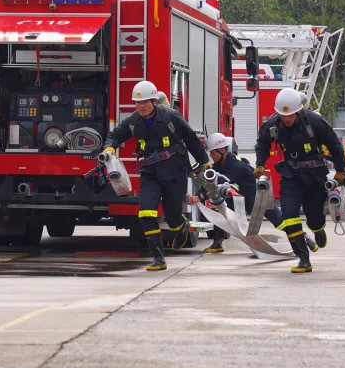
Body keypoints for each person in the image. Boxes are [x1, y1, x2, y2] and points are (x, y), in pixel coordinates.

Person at [103, 80, 211, 272]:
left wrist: (204, 162)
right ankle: (158, 258)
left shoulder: (170, 117)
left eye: (145, 102)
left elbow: (191, 139)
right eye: (138, 102)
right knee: (146, 212)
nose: (141, 106)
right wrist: (109, 147)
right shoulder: (133, 121)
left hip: (174, 171)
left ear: (154, 101)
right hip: (149, 172)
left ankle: (182, 228)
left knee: (173, 217)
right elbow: (115, 135)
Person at [254, 87, 345, 273]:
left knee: (314, 216)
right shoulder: (273, 124)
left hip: (315, 176)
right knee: (289, 217)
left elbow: (334, 144)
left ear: (298, 110)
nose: (286, 119)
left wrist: (340, 170)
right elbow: (262, 143)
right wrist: (260, 164)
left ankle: (318, 229)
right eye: (283, 115)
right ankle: (304, 259)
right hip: (291, 176)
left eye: (290, 115)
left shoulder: (314, 121)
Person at [187, 132, 256, 254]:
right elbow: (210, 185)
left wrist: (199, 197)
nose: (211, 156)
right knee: (219, 209)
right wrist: (197, 195)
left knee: (274, 218)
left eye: (213, 153)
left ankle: (291, 235)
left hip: (252, 198)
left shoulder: (237, 165)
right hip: (237, 198)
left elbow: (220, 185)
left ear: (222, 150)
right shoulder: (219, 165)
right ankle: (217, 244)